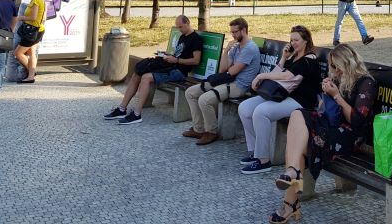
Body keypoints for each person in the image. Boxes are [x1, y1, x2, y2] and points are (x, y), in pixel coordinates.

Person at [270, 43, 377, 223]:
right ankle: (293, 171)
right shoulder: (337, 79)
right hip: (331, 126)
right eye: (332, 66)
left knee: (301, 144)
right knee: (297, 114)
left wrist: (336, 96)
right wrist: (325, 93)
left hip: (350, 136)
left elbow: (357, 121)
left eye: (337, 66)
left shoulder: (366, 83)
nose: (334, 70)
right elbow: (323, 111)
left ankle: (290, 201)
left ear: (348, 63)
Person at [238, 25, 321, 175]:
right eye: (291, 40)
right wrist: (284, 57)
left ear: (306, 40)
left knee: (261, 112)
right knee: (244, 108)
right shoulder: (294, 57)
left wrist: (261, 76)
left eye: (297, 40)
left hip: (301, 101)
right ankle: (254, 151)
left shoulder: (309, 59)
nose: (293, 43)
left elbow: (287, 77)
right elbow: (278, 73)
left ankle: (263, 160)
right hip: (283, 95)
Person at [104, 14, 202, 125]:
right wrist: (166, 55)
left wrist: (177, 61)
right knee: (137, 73)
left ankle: (137, 114)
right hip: (171, 66)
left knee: (146, 78)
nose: (179, 30)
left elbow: (196, 61)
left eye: (181, 27)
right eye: (177, 27)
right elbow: (178, 54)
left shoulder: (196, 39)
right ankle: (122, 109)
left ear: (188, 23)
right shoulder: (183, 36)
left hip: (180, 72)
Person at [183, 17, 261, 145]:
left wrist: (224, 73)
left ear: (244, 30)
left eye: (236, 32)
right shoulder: (236, 47)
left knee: (204, 100)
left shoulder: (250, 48)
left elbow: (233, 71)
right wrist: (226, 51)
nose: (233, 35)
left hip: (239, 85)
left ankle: (211, 132)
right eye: (232, 32)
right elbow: (223, 69)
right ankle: (198, 129)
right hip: (228, 80)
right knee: (190, 92)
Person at [13, 0, 46, 83]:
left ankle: (31, 74)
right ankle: (31, 75)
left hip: (31, 31)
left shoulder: (36, 1)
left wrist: (20, 17)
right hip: (39, 30)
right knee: (32, 53)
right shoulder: (41, 0)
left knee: (18, 53)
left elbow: (33, 17)